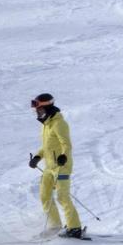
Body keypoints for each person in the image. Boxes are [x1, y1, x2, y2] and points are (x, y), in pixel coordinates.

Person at [28, 94, 82, 237]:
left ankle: (74, 228)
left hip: (61, 166)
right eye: (36, 111)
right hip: (49, 167)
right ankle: (55, 225)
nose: (38, 113)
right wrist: (37, 157)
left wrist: (64, 155)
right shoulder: (46, 125)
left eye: (39, 110)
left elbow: (66, 144)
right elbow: (46, 147)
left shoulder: (59, 123)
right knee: (44, 195)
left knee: (62, 196)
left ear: (47, 107)